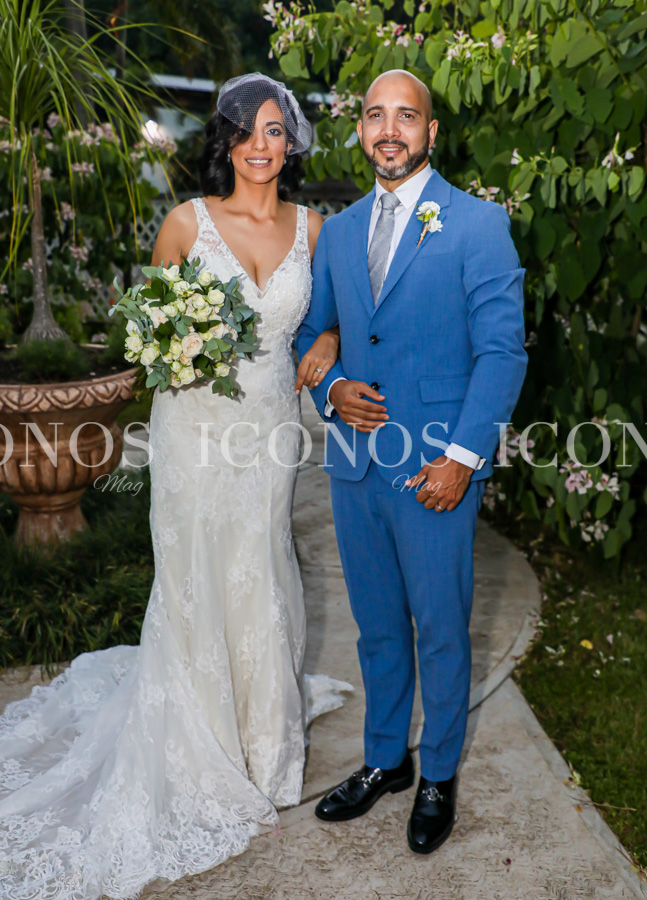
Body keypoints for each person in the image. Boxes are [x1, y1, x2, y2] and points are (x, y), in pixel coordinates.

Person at [0, 73, 349, 900]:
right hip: (195, 430)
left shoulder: (315, 227)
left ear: (290, 142)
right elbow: (147, 329)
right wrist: (177, 345)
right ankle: (198, 743)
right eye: (246, 132)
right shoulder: (185, 224)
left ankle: (267, 751)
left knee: (260, 565)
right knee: (195, 569)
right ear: (222, 143)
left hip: (267, 428)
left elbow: (328, 314)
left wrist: (327, 337)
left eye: (275, 131)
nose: (262, 147)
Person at [296, 69, 528, 855]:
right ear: (358, 131)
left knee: (438, 628)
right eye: (373, 115)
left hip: (435, 471)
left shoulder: (477, 223)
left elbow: (501, 352)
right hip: (355, 467)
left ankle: (436, 776)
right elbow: (311, 335)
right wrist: (329, 387)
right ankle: (383, 760)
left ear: (431, 132)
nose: (388, 128)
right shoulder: (337, 231)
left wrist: (462, 458)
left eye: (406, 116)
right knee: (374, 629)